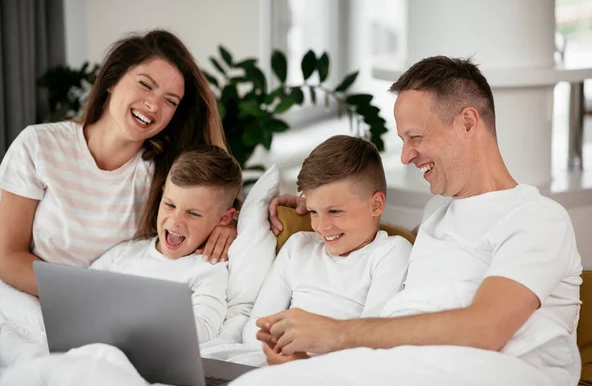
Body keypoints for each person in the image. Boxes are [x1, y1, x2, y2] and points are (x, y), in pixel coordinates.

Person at [235, 56, 583, 386]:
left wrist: (335, 335)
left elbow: (485, 330)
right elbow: (381, 247)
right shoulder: (437, 213)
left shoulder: (538, 219)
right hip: (401, 366)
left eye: (415, 137)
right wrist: (321, 207)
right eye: (403, 140)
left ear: (468, 122)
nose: (405, 156)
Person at [0, 29, 236, 297]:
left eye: (170, 101)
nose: (153, 105)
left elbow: (213, 204)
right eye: (145, 85)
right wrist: (85, 296)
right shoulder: (39, 145)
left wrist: (228, 225)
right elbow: (7, 255)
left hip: (115, 314)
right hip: (32, 301)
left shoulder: (165, 174)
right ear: (112, 80)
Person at [240, 135, 412, 364]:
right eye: (313, 212)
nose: (321, 226)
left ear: (376, 205)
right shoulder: (299, 246)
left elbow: (372, 337)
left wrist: (301, 360)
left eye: (334, 212)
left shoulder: (390, 252)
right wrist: (280, 350)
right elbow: (256, 328)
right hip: (271, 360)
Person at [91, 146, 242, 344]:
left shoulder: (208, 269)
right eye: (170, 205)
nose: (175, 221)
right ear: (162, 195)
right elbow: (84, 294)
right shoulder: (126, 253)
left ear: (224, 218)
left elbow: (205, 327)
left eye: (193, 213)